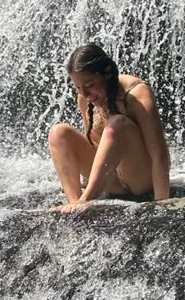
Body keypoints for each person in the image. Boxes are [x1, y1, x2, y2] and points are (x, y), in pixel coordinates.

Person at [48, 44, 171, 213]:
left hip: (140, 181)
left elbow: (160, 156)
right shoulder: (85, 98)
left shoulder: (137, 94)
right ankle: (74, 204)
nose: (85, 93)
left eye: (90, 84)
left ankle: (84, 201)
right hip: (111, 182)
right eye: (78, 88)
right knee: (58, 132)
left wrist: (162, 206)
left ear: (107, 73)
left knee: (117, 124)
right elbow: (94, 144)